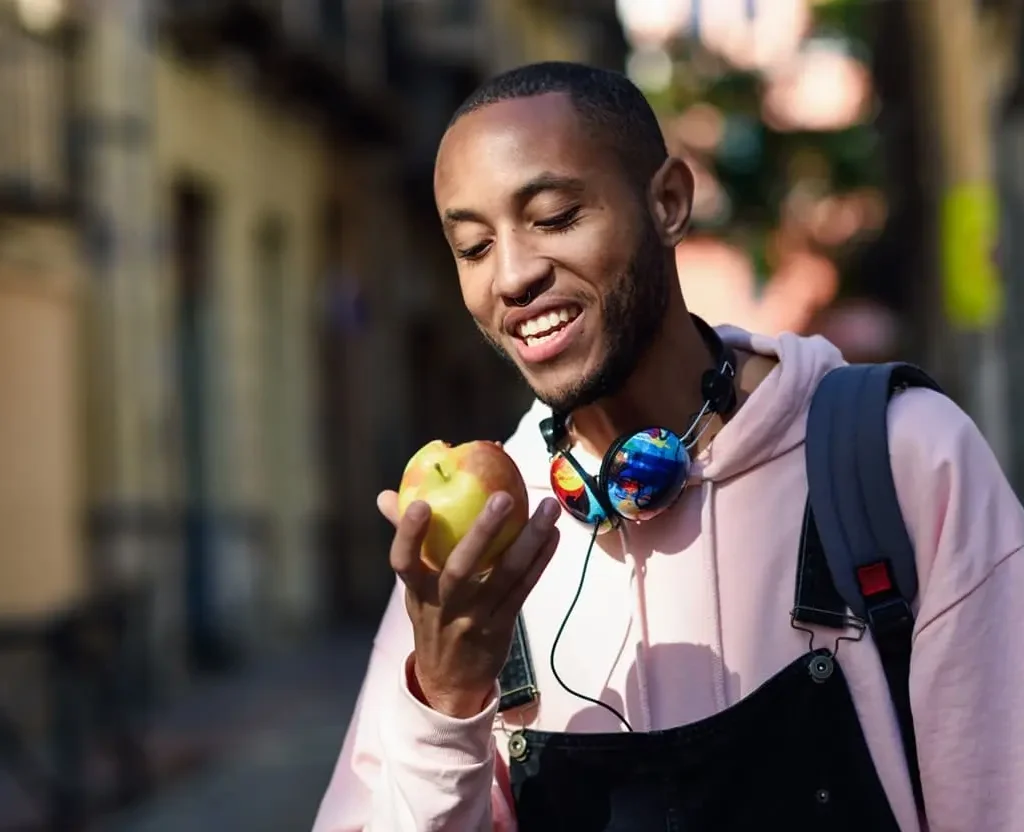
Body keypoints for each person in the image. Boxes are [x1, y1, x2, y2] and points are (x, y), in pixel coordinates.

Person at [312, 62, 1024, 832]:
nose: (511, 276)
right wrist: (446, 704)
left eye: (554, 216)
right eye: (474, 246)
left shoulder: (900, 457)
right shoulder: (484, 540)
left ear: (668, 202)